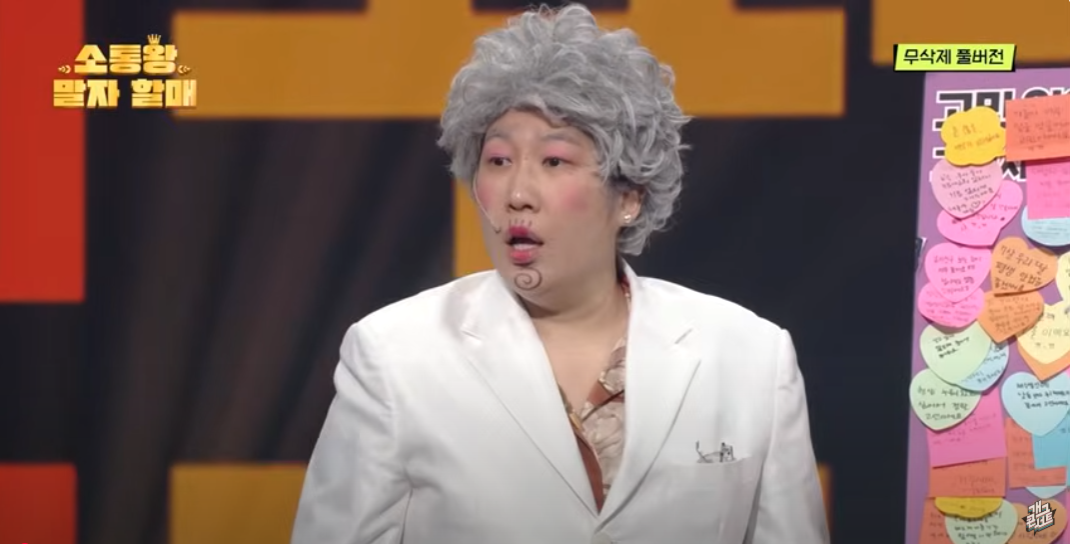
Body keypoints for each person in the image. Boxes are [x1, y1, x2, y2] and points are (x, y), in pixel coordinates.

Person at [290, 4, 828, 543]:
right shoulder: (394, 356)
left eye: (554, 162)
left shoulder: (751, 358)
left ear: (629, 196)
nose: (518, 194)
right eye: (498, 161)